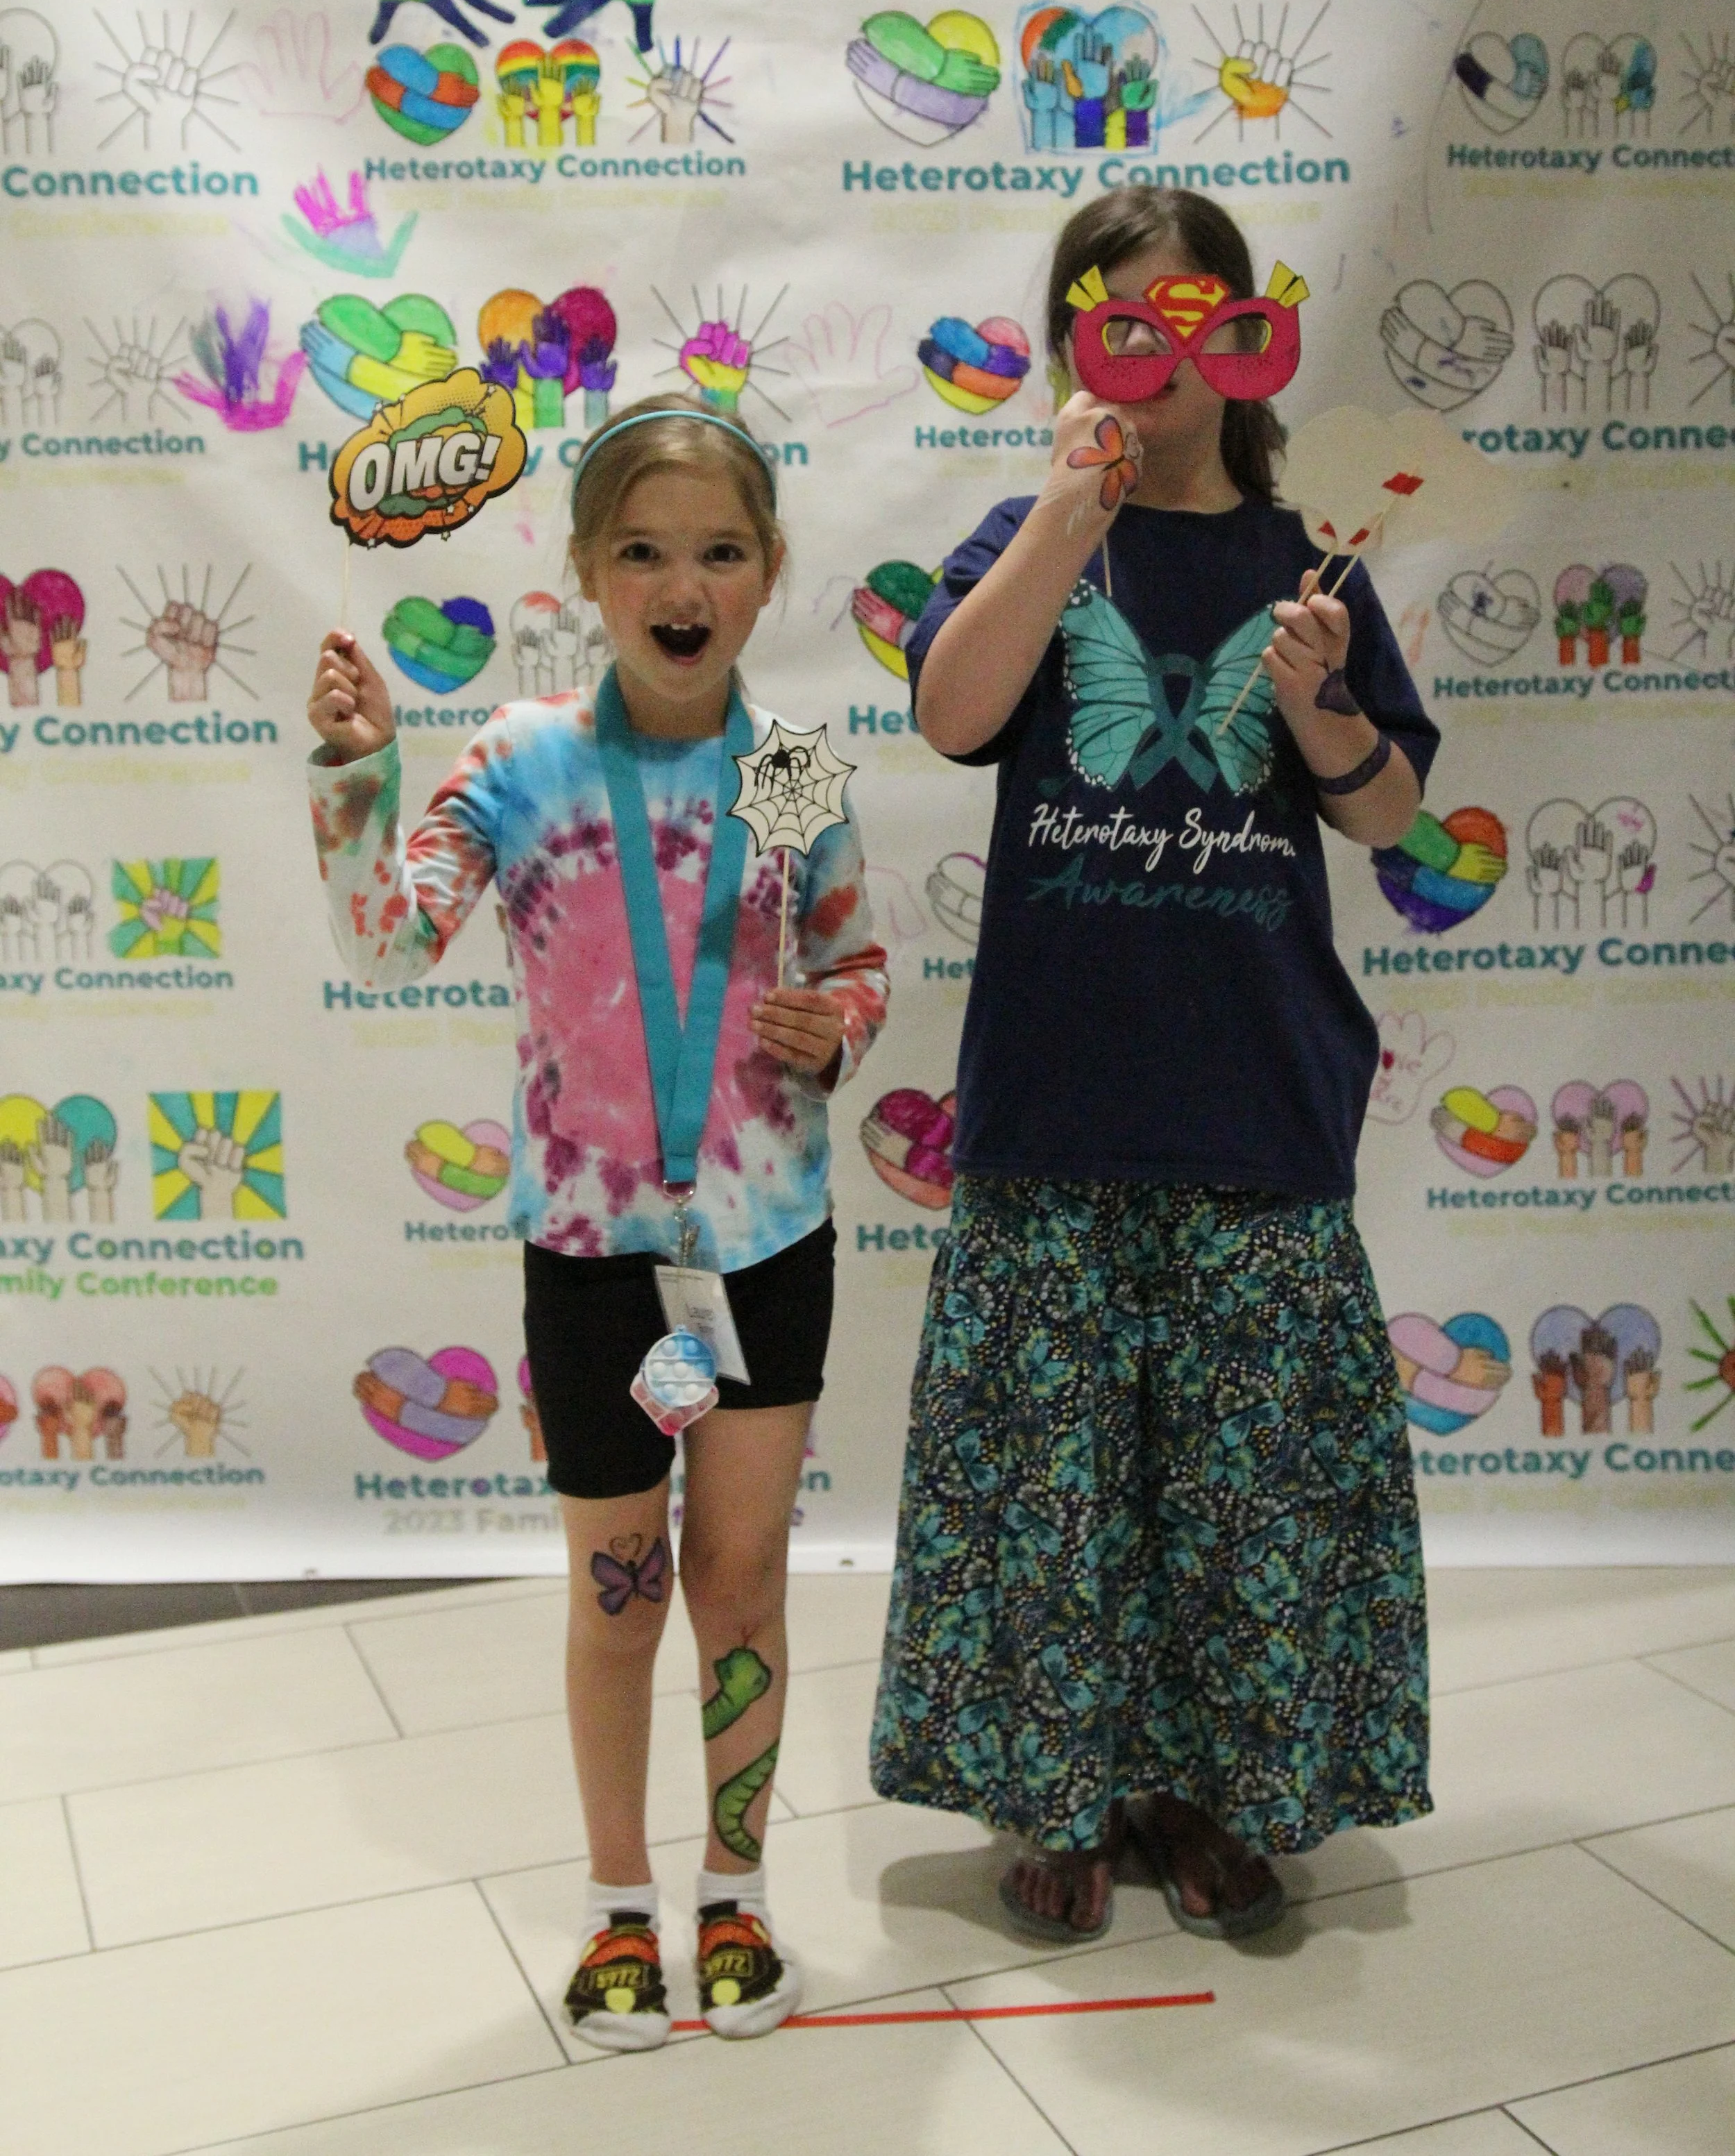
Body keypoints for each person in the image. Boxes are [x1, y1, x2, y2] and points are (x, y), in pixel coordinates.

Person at [870, 190, 1439, 1944]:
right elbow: (954, 713)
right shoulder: (1026, 533)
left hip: (1252, 1099)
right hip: (1057, 1096)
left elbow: (1391, 809)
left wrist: (1325, 700)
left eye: (1199, 318)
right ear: (1068, 342)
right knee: (1054, 1482)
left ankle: (1211, 1790)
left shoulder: (1309, 561)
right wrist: (1065, 508)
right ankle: (1053, 1792)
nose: (1163, 353)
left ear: (1251, 340)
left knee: (1240, 1483)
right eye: (1120, 321)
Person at [307, 395, 888, 2047]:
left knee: (745, 1580)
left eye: (715, 550)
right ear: (583, 571)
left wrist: (832, 1026)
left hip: (766, 1242)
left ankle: (740, 1887)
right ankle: (619, 1899)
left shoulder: (787, 776)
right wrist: (355, 768)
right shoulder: (517, 760)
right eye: (640, 550)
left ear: (767, 573)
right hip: (589, 1257)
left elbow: (857, 964)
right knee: (618, 1585)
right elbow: (388, 942)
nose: (678, 582)